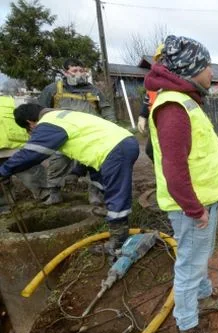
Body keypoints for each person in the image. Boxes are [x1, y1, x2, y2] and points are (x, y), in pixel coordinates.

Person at [145, 35, 218, 333]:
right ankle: (187, 326)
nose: (212, 72)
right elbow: (174, 170)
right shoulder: (173, 108)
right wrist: (195, 210)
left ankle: (204, 296)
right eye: (207, 65)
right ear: (191, 68)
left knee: (200, 257)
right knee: (189, 264)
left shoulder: (185, 100)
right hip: (191, 207)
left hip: (202, 200)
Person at [0, 103, 138, 255]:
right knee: (101, 182)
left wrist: (4, 170)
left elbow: (32, 153)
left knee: (116, 193)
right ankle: (111, 214)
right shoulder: (63, 115)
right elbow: (85, 142)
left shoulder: (48, 124)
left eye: (29, 130)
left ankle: (118, 243)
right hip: (122, 142)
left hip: (114, 150)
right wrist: (77, 171)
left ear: (30, 123)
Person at [38, 58, 116, 206]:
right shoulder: (52, 89)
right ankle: (54, 193)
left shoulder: (94, 90)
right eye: (74, 71)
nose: (79, 73)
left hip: (90, 135)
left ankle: (95, 193)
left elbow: (106, 109)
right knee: (57, 163)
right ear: (65, 72)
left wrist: (111, 126)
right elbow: (41, 110)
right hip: (63, 136)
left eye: (81, 70)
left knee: (95, 164)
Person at [0, 95, 49, 211]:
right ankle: (5, 208)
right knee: (2, 185)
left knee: (33, 175)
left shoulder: (10, 100)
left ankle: (49, 197)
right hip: (17, 147)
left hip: (18, 147)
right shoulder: (9, 101)